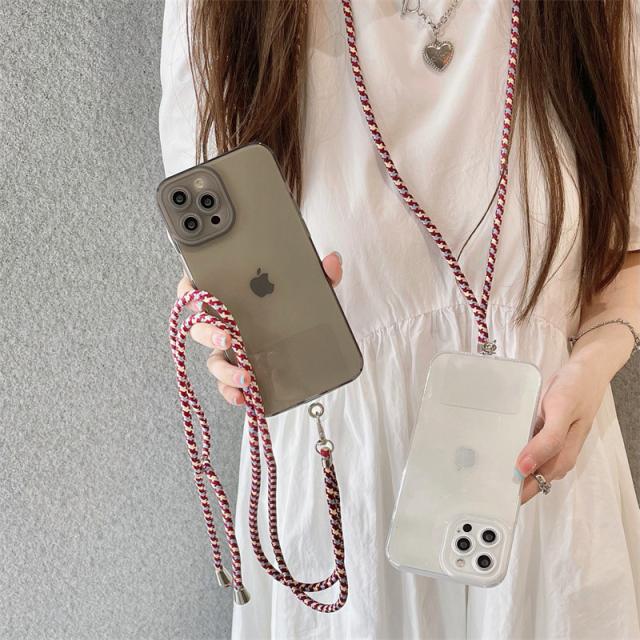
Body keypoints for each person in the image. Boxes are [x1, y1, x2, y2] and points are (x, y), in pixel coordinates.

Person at [159, 0, 640, 637]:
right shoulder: (224, 12)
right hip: (347, 499)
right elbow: (219, 248)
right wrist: (223, 323)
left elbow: (626, 245)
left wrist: (594, 362)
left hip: (540, 476)